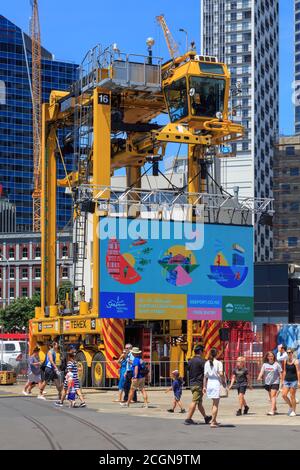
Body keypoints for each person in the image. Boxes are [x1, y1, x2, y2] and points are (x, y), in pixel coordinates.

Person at [184, 344, 212, 425]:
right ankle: (188, 419)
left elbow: (188, 370)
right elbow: (206, 373)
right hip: (198, 383)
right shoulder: (202, 361)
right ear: (200, 351)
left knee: (199, 402)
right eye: (203, 351)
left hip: (192, 383)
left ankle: (206, 417)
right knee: (195, 401)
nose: (203, 353)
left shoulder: (190, 361)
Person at [203, 347, 224, 428]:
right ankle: (213, 422)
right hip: (216, 383)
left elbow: (205, 376)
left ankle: (214, 420)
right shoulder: (219, 363)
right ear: (217, 354)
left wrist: (204, 386)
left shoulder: (206, 363)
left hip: (209, 383)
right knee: (216, 404)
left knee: (213, 403)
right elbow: (221, 374)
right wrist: (224, 381)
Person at [257, 351, 282, 415]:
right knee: (271, 397)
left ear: (274, 357)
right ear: (267, 357)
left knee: (273, 396)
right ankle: (275, 409)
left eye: (272, 356)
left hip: (275, 382)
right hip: (267, 383)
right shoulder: (265, 364)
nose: (271, 357)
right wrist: (259, 377)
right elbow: (261, 372)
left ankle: (272, 411)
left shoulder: (277, 364)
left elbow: (280, 373)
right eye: (269, 356)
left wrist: (282, 381)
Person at [281, 349, 300, 417]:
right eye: (287, 352)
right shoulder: (285, 360)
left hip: (293, 380)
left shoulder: (296, 361)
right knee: (284, 395)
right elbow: (284, 371)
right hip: (286, 380)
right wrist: (282, 381)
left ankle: (294, 411)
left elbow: (298, 372)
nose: (289, 353)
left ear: (292, 353)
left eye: (290, 352)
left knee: (292, 396)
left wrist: (299, 381)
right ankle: (291, 406)